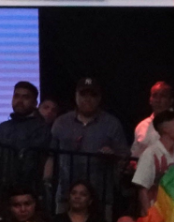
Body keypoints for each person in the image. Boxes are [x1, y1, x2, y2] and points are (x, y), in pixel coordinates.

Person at [52, 79, 128, 208]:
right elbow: (50, 154)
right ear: (75, 95)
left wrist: (112, 155)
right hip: (66, 192)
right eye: (83, 94)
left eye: (93, 95)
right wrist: (48, 182)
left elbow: (124, 155)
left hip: (100, 194)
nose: (88, 99)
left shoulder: (112, 123)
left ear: (99, 98)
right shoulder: (61, 122)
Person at [133, 110, 174, 212]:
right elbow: (143, 188)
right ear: (165, 129)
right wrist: (149, 216)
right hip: (158, 212)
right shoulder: (151, 153)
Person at [132, 82, 174, 158]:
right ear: (150, 100)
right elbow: (135, 156)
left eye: (162, 96)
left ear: (171, 101)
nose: (158, 100)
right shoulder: (142, 126)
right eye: (154, 96)